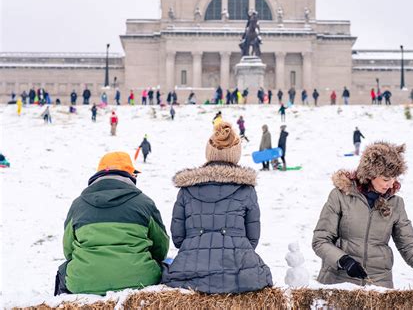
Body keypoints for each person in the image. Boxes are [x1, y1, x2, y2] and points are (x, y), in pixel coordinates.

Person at [312, 142, 413, 291]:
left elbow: (409, 246)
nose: (391, 185)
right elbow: (320, 240)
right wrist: (343, 260)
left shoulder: (396, 204)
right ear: (370, 175)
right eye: (386, 179)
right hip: (339, 281)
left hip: (378, 286)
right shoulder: (340, 196)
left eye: (394, 178)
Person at [161, 123, 273, 293]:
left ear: (209, 153)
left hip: (188, 270)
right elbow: (252, 239)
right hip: (238, 273)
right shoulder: (246, 189)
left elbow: (178, 239)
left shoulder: (186, 189)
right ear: (235, 155)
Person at [54, 151, 169, 295]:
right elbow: (161, 247)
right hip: (140, 280)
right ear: (130, 175)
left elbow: (68, 250)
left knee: (63, 271)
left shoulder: (78, 205)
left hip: (83, 281)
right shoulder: (144, 202)